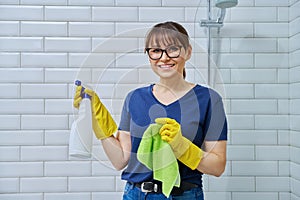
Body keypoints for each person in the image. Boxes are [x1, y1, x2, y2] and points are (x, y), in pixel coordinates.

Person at [73, 21, 227, 200]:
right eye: (155, 51)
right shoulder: (135, 98)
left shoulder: (209, 99)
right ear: (149, 55)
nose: (164, 58)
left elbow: (217, 166)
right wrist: (98, 119)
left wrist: (181, 146)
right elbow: (120, 160)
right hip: (136, 195)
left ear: (188, 52)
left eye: (173, 49)